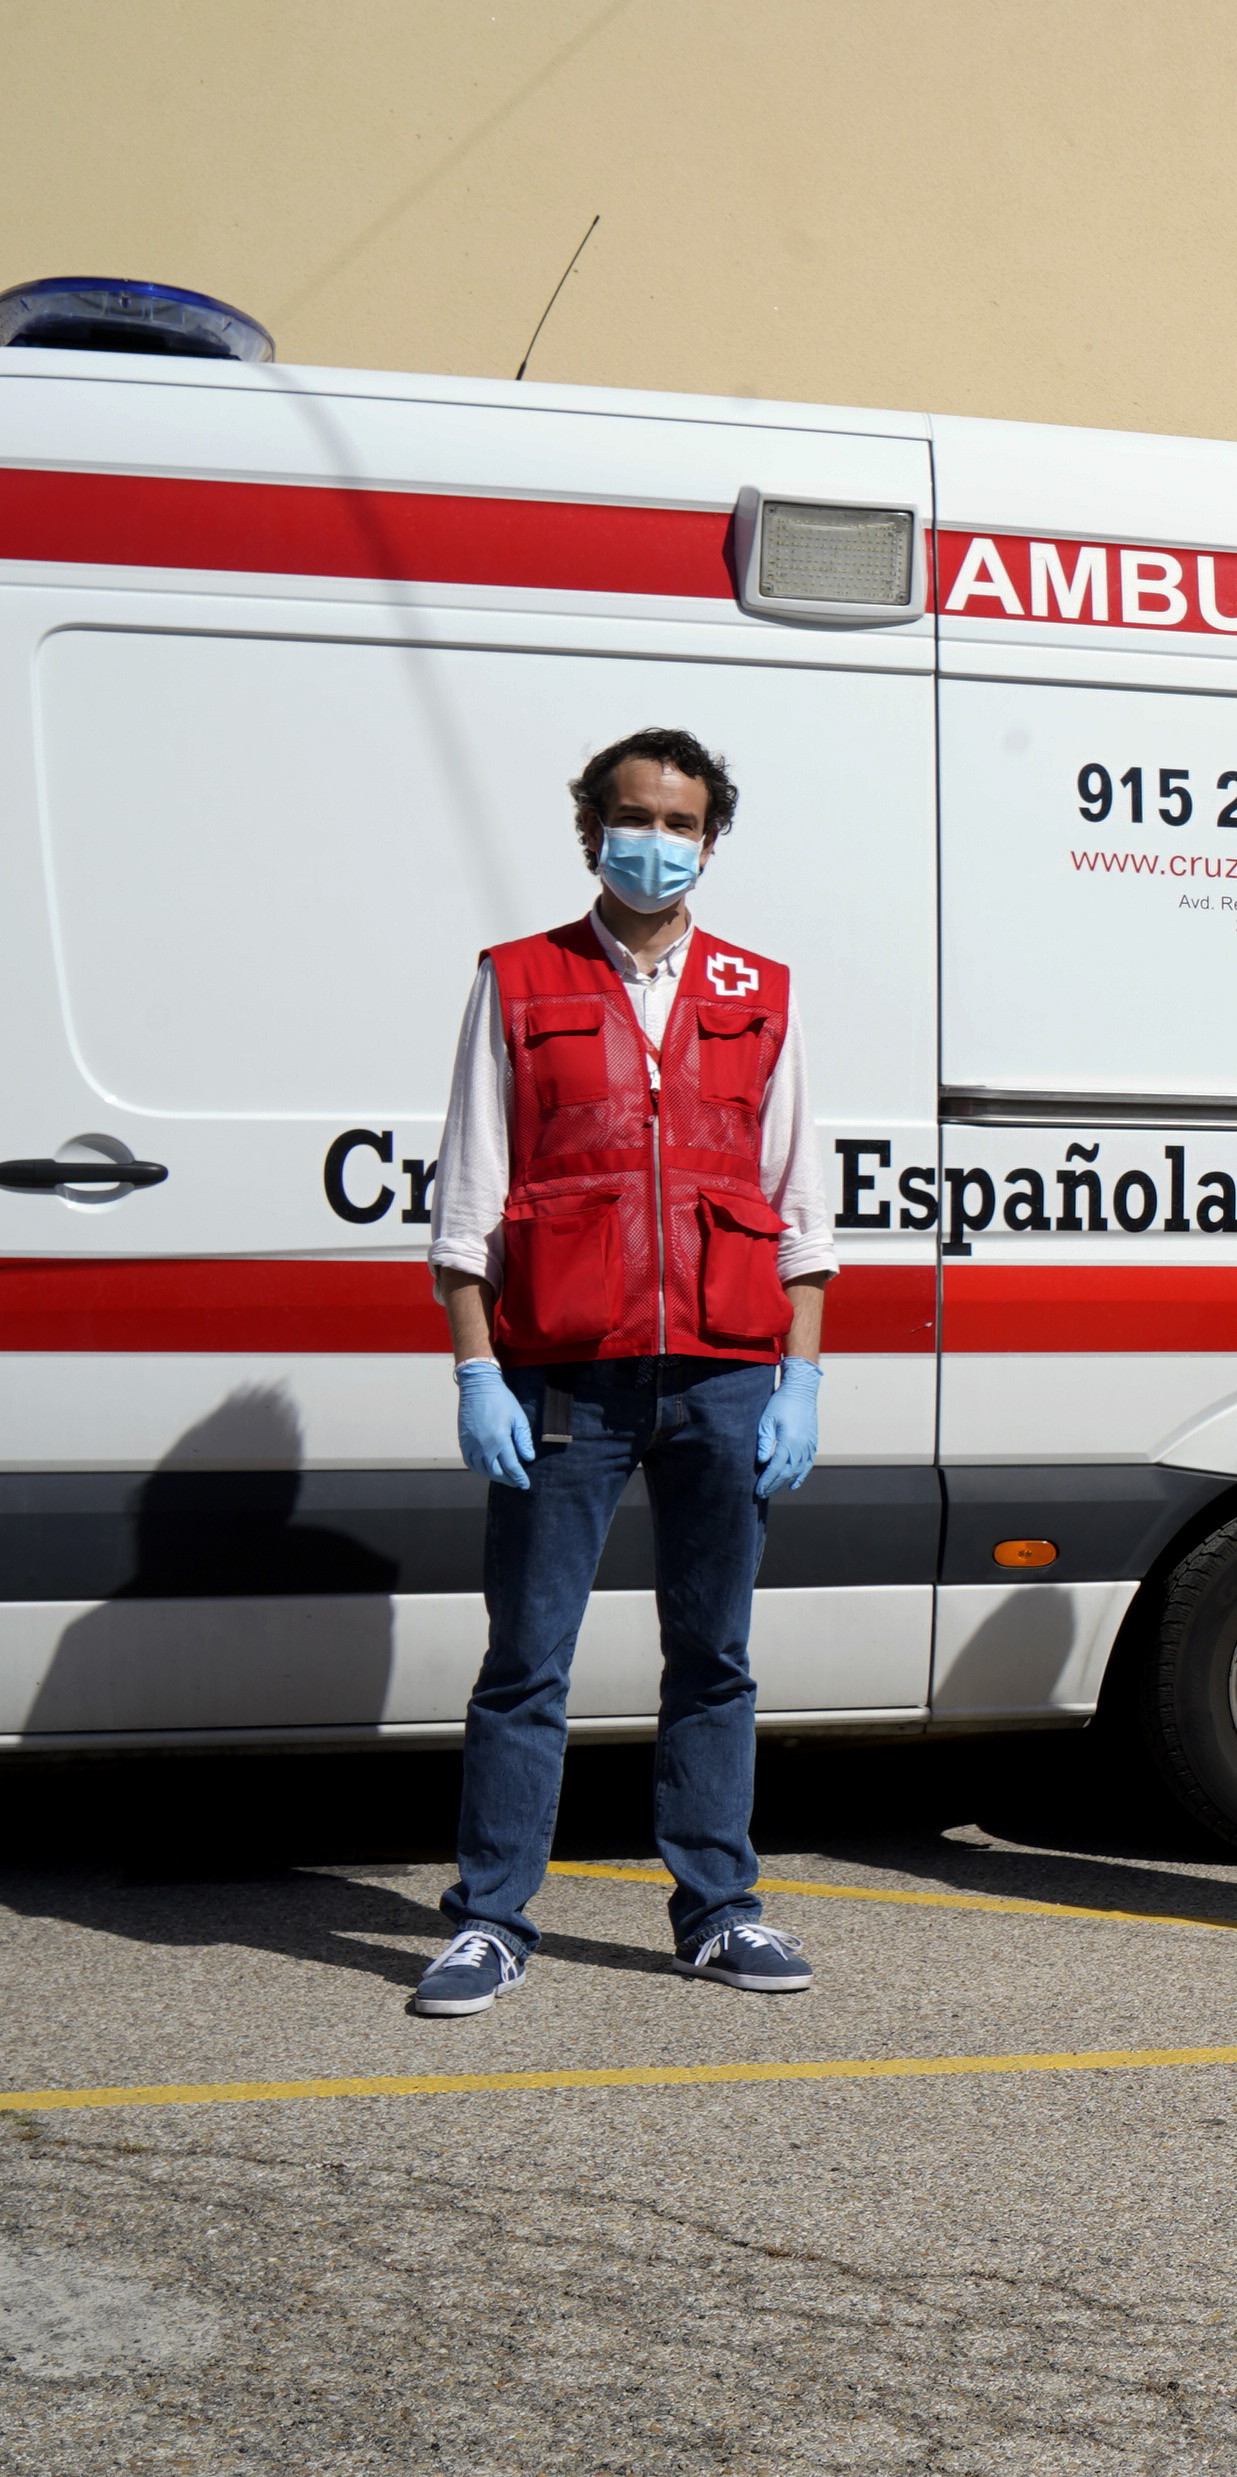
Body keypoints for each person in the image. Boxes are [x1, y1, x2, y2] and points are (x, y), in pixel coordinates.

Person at [410, 729, 833, 2018]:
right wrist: (476, 1368)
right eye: (635, 816)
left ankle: (719, 1909)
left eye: (682, 821)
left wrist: (802, 1378)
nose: (658, 840)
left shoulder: (762, 989)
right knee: (526, 1659)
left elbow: (800, 1203)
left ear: (710, 840)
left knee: (715, 1655)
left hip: (723, 1374)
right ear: (593, 830)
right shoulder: (520, 978)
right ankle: (491, 1920)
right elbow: (469, 1196)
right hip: (566, 1376)